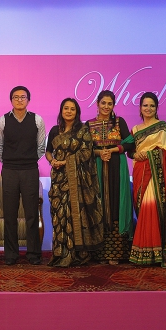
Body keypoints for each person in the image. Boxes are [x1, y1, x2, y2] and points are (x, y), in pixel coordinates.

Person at [125, 92, 166, 268]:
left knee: (153, 208)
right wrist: (137, 154)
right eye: (145, 105)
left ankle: (159, 252)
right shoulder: (135, 130)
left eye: (152, 105)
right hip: (141, 172)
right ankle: (145, 251)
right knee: (143, 208)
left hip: (157, 176)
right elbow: (129, 152)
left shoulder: (162, 127)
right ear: (140, 108)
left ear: (156, 108)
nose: (148, 108)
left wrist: (150, 154)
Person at [45, 98, 103, 267]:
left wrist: (65, 162)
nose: (69, 111)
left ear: (77, 112)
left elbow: (86, 153)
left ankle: (77, 254)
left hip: (78, 180)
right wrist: (52, 161)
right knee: (59, 213)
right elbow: (48, 151)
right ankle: (61, 253)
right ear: (61, 110)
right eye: (66, 108)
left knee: (75, 213)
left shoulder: (83, 130)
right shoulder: (55, 130)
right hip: (58, 179)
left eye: (72, 109)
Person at [0, 86, 46, 265]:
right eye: (16, 97)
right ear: (11, 100)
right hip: (9, 171)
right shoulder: (2, 121)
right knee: (10, 214)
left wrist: (27, 161)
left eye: (23, 97)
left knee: (32, 214)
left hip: (30, 170)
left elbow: (41, 148)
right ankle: (11, 254)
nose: (19, 100)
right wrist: (11, 162)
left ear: (28, 100)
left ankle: (33, 254)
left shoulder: (37, 120)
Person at [86, 90, 135, 265]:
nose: (106, 107)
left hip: (117, 166)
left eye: (110, 104)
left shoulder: (119, 122)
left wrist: (114, 150)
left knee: (116, 202)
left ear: (113, 105)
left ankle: (116, 253)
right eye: (103, 103)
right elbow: (84, 150)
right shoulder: (88, 124)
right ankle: (99, 253)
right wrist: (99, 153)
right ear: (97, 104)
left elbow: (130, 142)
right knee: (99, 204)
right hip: (97, 167)